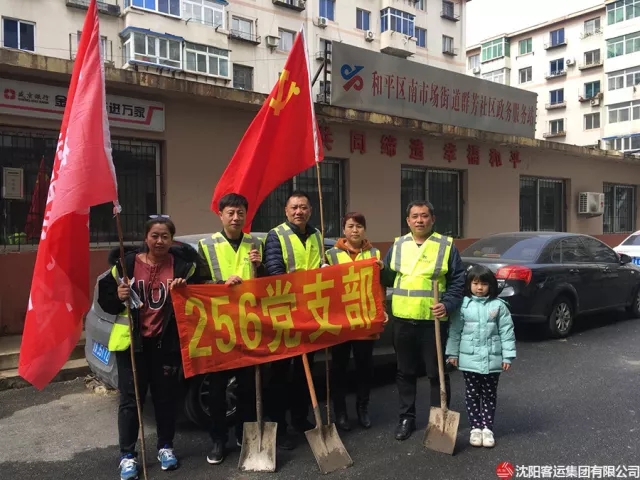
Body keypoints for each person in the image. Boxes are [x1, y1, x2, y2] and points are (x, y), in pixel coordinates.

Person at [97, 216, 202, 480]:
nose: (159, 241)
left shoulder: (183, 267)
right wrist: (118, 296)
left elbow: (201, 297)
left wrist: (185, 290)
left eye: (165, 236)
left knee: (165, 399)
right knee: (131, 402)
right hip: (132, 346)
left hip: (165, 345)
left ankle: (166, 447)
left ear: (172, 240)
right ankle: (127, 456)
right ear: (146, 238)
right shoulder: (126, 265)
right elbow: (104, 299)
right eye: (154, 235)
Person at [380, 200, 466, 441]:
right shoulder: (398, 245)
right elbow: (387, 278)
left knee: (437, 373)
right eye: (415, 216)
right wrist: (377, 268)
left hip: (433, 321)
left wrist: (447, 304)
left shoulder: (446, 246)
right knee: (405, 372)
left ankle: (438, 419)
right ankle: (406, 418)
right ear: (408, 221)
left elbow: (458, 280)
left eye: (424, 215)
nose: (420, 220)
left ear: (432, 219)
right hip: (403, 319)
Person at [196, 193, 264, 465]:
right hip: (219, 327)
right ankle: (218, 440)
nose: (236, 218)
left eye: (240, 213)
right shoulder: (206, 245)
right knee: (217, 390)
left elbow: (267, 282)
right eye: (231, 213)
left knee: (248, 387)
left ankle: (244, 435)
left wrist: (260, 266)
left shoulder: (255, 243)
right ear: (221, 215)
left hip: (249, 326)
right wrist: (221, 283)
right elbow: (198, 283)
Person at [263, 190, 323, 450]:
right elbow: (274, 270)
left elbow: (321, 266)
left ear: (310, 210)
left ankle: (300, 418)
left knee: (304, 371)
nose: (299, 211)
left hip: (310, 314)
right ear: (286, 211)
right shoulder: (276, 235)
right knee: (280, 372)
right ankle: (279, 425)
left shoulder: (317, 234)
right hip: (284, 314)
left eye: (304, 207)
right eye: (294, 207)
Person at [324, 212, 386, 431]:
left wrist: (382, 309)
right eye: (350, 226)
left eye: (359, 226)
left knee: (364, 368)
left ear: (364, 229)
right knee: (338, 368)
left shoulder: (374, 253)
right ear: (344, 230)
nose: (355, 230)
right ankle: (340, 413)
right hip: (340, 320)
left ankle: (363, 409)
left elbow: (379, 285)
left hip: (364, 318)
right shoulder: (331, 254)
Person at [445, 264, 516, 448]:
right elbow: (455, 331)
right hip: (469, 359)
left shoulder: (499, 306)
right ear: (469, 284)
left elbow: (507, 332)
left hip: (493, 360)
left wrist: (507, 356)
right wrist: (452, 353)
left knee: (489, 395)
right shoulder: (463, 305)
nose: (479, 288)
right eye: (475, 283)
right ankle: (475, 428)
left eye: (484, 284)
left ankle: (487, 429)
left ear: (490, 285)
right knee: (472, 394)